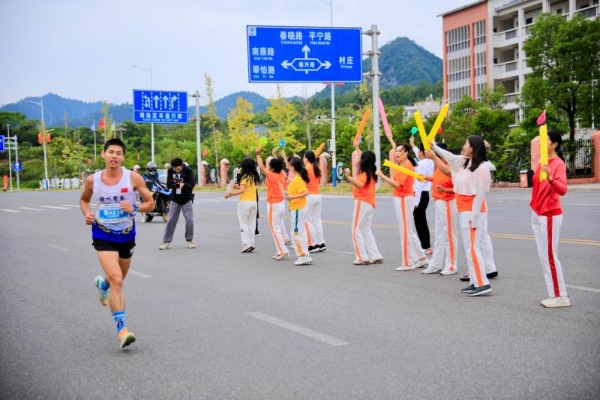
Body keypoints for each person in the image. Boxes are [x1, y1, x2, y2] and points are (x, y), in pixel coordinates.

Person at [79, 138, 155, 349]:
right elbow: (84, 200)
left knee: (116, 279)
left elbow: (151, 203)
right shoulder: (93, 180)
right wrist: (87, 213)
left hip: (126, 235)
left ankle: (103, 285)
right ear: (103, 154)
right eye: (110, 152)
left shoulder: (133, 177)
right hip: (102, 234)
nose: (114, 156)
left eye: (118, 153)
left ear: (123, 157)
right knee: (117, 280)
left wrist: (135, 209)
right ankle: (122, 330)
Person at [432, 136, 494, 297]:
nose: (463, 146)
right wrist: (433, 146)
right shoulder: (463, 162)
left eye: (466, 144)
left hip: (473, 209)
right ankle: (474, 281)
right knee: (469, 247)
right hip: (462, 208)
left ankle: (483, 283)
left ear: (473, 147)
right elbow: (448, 156)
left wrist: (474, 216)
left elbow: (480, 193)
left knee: (473, 247)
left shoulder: (482, 168)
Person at [530, 129, 570, 308]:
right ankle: (553, 293)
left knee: (551, 256)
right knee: (543, 255)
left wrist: (552, 179)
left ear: (554, 144)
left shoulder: (558, 164)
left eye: (545, 140)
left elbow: (562, 189)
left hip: (550, 213)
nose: (540, 142)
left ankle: (561, 296)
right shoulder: (542, 162)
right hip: (538, 213)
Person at [376, 143, 428, 270]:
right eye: (396, 151)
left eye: (400, 151)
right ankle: (422, 258)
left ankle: (408, 262)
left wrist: (382, 176)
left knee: (404, 231)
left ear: (406, 153)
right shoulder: (401, 166)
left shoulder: (407, 166)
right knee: (408, 231)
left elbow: (398, 185)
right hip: (402, 198)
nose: (397, 153)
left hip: (404, 199)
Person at [422, 145, 459, 275]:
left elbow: (457, 187)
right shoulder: (439, 167)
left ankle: (451, 265)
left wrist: (444, 190)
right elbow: (438, 179)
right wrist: (426, 178)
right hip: (438, 202)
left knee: (449, 234)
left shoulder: (450, 167)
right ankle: (436, 264)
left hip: (447, 202)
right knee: (439, 234)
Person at [345, 149, 383, 265]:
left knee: (356, 230)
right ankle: (375, 255)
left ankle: (362, 257)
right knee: (366, 229)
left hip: (362, 201)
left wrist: (349, 177)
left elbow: (360, 185)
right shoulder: (371, 171)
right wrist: (357, 147)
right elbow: (365, 156)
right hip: (370, 202)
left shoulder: (364, 173)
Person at [256, 149, 289, 260]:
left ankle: (282, 250)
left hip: (273, 205)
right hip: (281, 204)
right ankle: (281, 250)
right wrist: (275, 156)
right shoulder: (283, 174)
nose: (268, 167)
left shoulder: (272, 175)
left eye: (270, 165)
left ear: (273, 168)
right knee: (277, 227)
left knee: (274, 228)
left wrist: (258, 155)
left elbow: (261, 167)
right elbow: (282, 165)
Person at [158, 158, 196, 250]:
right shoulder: (171, 171)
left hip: (186, 198)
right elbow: (168, 184)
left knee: (189, 220)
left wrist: (184, 185)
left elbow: (192, 184)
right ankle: (166, 242)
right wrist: (174, 183)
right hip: (175, 199)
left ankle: (189, 241)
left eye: (178, 169)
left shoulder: (188, 170)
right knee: (170, 220)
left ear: (182, 166)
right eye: (175, 169)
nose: (176, 170)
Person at [225, 158, 259, 253]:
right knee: (252, 224)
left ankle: (246, 243)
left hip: (244, 203)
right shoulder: (253, 176)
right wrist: (236, 186)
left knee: (244, 223)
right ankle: (251, 243)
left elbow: (242, 191)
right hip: (253, 203)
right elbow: (245, 188)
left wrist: (230, 193)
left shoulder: (244, 177)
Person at [285, 156, 313, 265]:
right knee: (300, 232)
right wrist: (290, 198)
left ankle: (302, 255)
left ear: (292, 167)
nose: (287, 165)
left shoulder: (297, 179)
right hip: (296, 207)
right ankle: (305, 254)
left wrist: (292, 198)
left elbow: (306, 192)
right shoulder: (297, 178)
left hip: (298, 208)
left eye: (289, 164)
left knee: (296, 233)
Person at [410, 136, 434, 254]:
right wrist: (413, 145)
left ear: (422, 152)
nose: (417, 152)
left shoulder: (421, 165)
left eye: (418, 150)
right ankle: (426, 245)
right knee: (422, 221)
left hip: (420, 195)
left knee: (420, 223)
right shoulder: (431, 162)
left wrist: (416, 201)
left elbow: (419, 183)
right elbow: (420, 154)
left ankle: (426, 246)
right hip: (426, 195)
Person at [304, 150, 326, 253]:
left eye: (304, 157)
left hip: (309, 196)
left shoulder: (306, 169)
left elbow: (302, 182)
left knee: (309, 221)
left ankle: (312, 244)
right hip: (318, 195)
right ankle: (321, 243)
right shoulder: (317, 168)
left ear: (307, 158)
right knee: (317, 221)